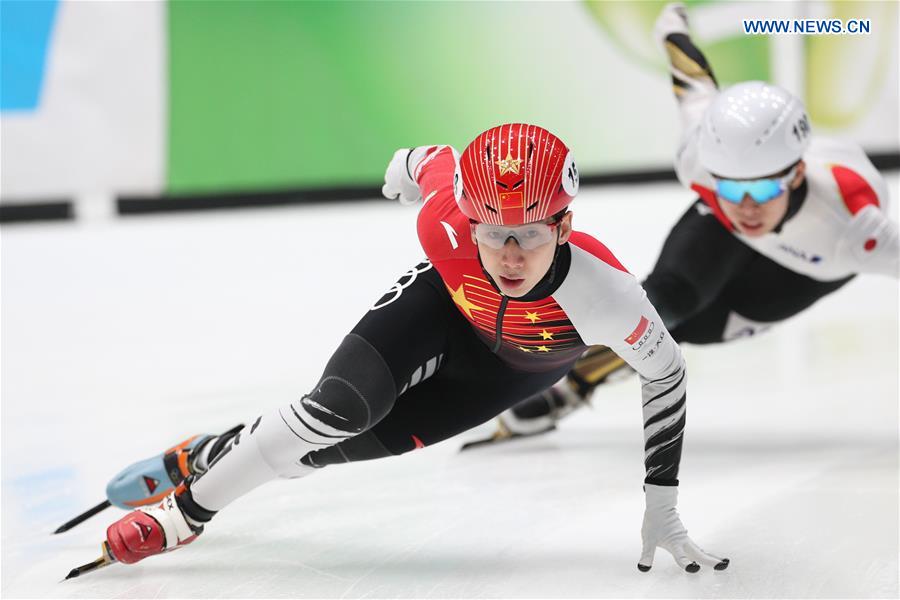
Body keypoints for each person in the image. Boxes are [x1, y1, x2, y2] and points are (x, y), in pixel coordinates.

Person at [87, 123, 727, 575]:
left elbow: (666, 376)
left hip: (500, 379)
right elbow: (432, 160)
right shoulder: (445, 217)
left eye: (529, 235)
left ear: (563, 225)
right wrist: (403, 168)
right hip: (438, 310)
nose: (508, 255)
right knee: (335, 410)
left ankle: (212, 450)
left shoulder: (608, 296)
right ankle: (183, 515)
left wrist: (661, 505)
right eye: (493, 232)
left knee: (326, 453)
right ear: (468, 218)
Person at [485, 4, 899, 443]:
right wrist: (672, 22)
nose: (745, 207)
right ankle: (566, 378)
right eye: (728, 187)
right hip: (719, 232)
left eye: (760, 191)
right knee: (663, 304)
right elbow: (692, 77)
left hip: (805, 267)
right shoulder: (700, 158)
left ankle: (583, 375)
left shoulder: (855, 230)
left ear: (796, 174)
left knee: (694, 329)